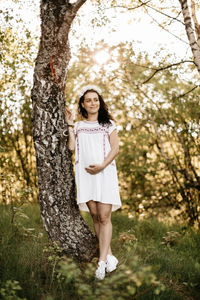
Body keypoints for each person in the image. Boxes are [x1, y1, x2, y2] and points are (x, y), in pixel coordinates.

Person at [65, 85, 122, 280]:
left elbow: (115, 149)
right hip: (86, 175)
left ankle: (101, 261)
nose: (92, 103)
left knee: (105, 217)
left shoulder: (108, 125)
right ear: (83, 103)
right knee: (96, 217)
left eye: (95, 99)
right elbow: (72, 147)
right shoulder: (79, 126)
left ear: (100, 102)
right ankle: (110, 255)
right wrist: (70, 124)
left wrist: (102, 166)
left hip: (105, 173)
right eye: (88, 100)